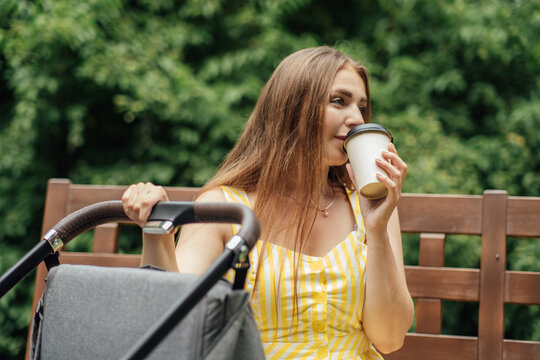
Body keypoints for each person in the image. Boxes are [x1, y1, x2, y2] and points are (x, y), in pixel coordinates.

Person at [122, 46, 414, 359]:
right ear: (293, 108)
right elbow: (174, 323)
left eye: (362, 106)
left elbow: (389, 338)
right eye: (338, 101)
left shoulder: (372, 207)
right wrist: (158, 229)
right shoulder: (224, 209)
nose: (357, 118)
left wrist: (378, 228)